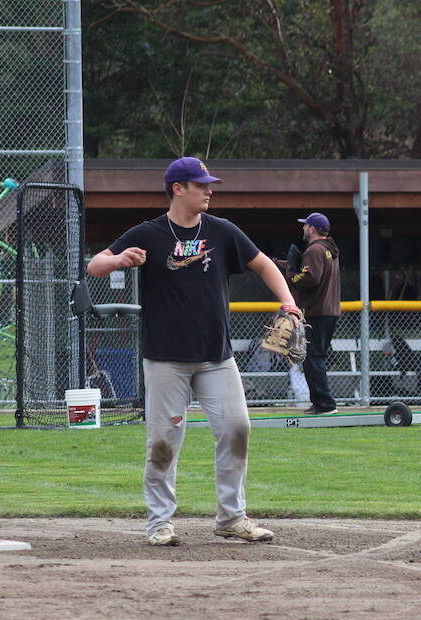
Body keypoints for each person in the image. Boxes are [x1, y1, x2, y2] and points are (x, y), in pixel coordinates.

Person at [86, 157, 302, 547]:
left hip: (216, 357)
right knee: (163, 441)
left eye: (209, 184)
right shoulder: (150, 233)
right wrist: (118, 259)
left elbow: (264, 265)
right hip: (166, 358)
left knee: (237, 428)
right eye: (200, 185)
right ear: (178, 188)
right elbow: (95, 265)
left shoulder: (222, 231)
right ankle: (159, 523)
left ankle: (231, 518)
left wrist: (289, 302)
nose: (209, 190)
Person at [281, 212, 341, 414]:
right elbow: (308, 272)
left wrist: (291, 275)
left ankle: (324, 404)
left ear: (313, 229)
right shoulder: (328, 249)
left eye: (306, 225)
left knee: (312, 358)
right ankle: (322, 403)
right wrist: (282, 265)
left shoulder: (314, 250)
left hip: (317, 311)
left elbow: (310, 278)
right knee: (316, 357)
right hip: (328, 311)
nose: (303, 228)